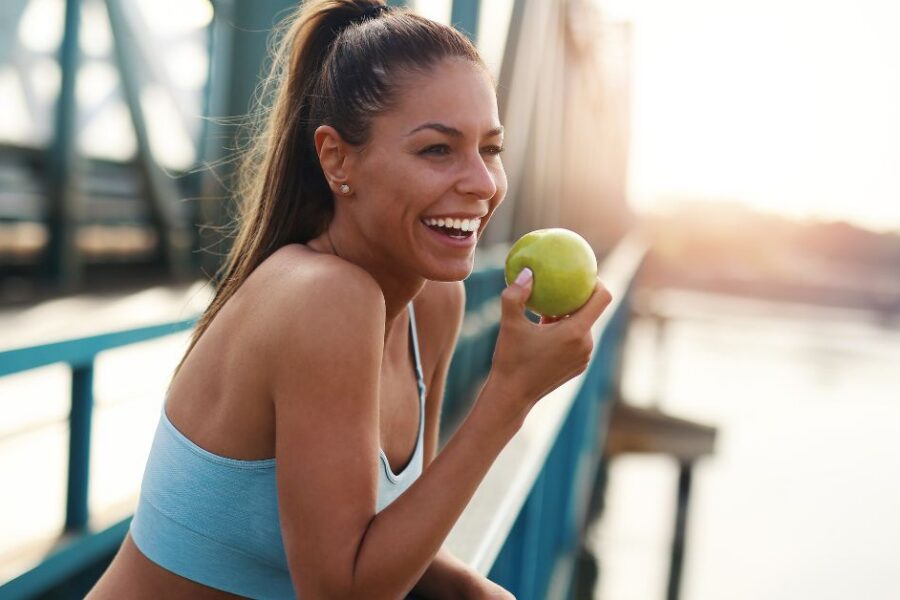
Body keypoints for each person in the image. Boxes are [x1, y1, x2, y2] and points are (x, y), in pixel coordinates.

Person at [87, 1, 612, 598]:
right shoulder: (324, 299)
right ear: (337, 158)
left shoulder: (435, 304)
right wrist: (510, 396)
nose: (482, 183)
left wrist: (476, 591)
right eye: (438, 150)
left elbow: (393, 541)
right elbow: (344, 592)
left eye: (490, 149)